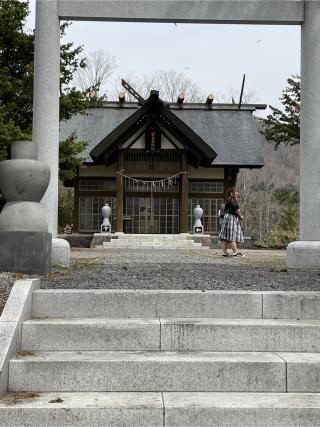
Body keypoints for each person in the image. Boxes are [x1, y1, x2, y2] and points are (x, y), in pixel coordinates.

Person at [219, 187, 245, 257]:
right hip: (231, 218)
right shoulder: (232, 200)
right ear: (231, 193)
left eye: (237, 192)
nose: (237, 193)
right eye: (235, 192)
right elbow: (237, 209)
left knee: (225, 237)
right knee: (232, 236)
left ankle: (224, 253)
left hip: (227, 218)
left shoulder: (228, 200)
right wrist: (241, 216)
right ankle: (235, 253)